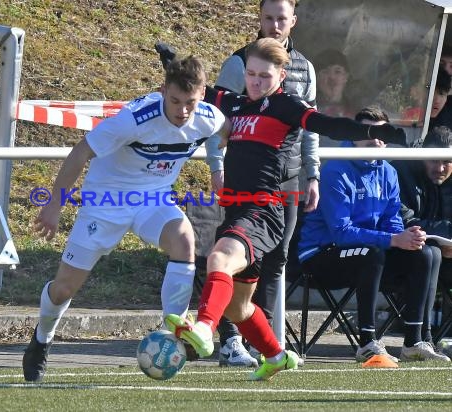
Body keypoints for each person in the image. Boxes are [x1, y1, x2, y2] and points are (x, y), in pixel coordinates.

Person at [156, 38, 407, 380]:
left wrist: (372, 131)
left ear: (282, 75)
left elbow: (328, 125)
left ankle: (202, 329)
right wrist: (172, 60)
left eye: (264, 76)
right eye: (251, 74)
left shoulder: (286, 106)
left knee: (218, 259)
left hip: (263, 212)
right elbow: (203, 90)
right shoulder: (238, 104)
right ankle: (276, 355)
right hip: (238, 213)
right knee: (239, 306)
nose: (256, 82)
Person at [21, 55, 230, 382]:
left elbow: (231, 133)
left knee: (184, 238)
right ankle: (41, 339)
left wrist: (225, 167)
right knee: (63, 289)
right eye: (175, 101)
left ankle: (170, 332)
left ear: (202, 94)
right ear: (162, 91)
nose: (182, 110)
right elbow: (80, 152)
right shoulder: (135, 118)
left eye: (190, 102)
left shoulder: (208, 117)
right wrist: (53, 205)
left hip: (154, 198)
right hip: (106, 199)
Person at [204, 0, 321, 368]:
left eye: (281, 18)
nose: (274, 25)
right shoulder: (240, 61)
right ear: (259, 19)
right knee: (232, 252)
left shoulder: (305, 67)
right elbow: (216, 116)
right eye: (268, 17)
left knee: (274, 261)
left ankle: (266, 346)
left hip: (289, 180)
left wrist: (312, 174)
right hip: (247, 177)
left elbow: (310, 129)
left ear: (293, 21)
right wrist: (216, 165)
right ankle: (229, 341)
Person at [297, 106, 449, 363]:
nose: (375, 139)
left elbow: (391, 220)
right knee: (372, 253)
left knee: (427, 253)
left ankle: (414, 341)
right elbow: (342, 233)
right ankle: (367, 342)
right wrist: (393, 240)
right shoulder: (335, 169)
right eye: (367, 132)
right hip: (322, 255)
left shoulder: (388, 171)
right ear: (354, 134)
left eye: (381, 134)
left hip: (370, 253)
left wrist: (406, 237)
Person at [393, 125, 452, 348]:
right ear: (422, 156)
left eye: (446, 161)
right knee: (431, 253)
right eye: (434, 160)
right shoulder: (403, 172)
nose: (440, 168)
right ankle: (421, 337)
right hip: (401, 256)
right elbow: (406, 221)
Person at [315, 48, 354, 118]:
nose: (332, 77)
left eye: (337, 71)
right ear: (316, 78)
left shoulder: (357, 111)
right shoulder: (306, 109)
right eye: (325, 72)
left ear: (346, 77)